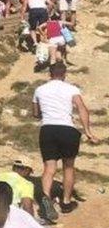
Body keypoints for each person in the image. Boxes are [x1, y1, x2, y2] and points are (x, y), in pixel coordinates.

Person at [33, 62, 98, 214]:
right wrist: (87, 131)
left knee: (49, 168)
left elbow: (36, 114)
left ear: (50, 74)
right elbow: (82, 108)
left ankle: (46, 200)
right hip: (68, 130)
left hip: (48, 129)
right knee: (68, 167)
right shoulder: (72, 89)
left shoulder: (40, 89)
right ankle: (66, 202)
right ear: (64, 74)